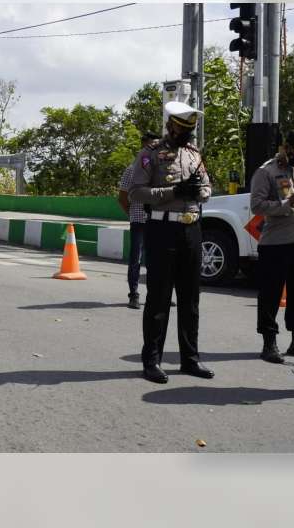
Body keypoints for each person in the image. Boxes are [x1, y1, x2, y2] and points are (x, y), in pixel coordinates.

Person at [129, 101, 214, 384]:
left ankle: (190, 359)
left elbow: (207, 188)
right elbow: (136, 193)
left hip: (191, 229)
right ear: (170, 126)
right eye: (181, 129)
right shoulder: (150, 154)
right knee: (159, 299)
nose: (186, 135)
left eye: (189, 131)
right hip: (161, 229)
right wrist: (173, 191)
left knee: (191, 299)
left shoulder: (193, 154)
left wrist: (198, 192)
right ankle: (151, 360)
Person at [249, 129, 294, 363]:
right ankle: (269, 343)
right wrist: (287, 203)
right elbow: (256, 206)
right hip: (275, 243)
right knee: (270, 295)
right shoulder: (266, 172)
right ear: (287, 148)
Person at [118, 131, 160, 309]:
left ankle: (157, 295)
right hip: (138, 221)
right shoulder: (131, 170)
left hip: (157, 221)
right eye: (151, 146)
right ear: (143, 145)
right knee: (136, 259)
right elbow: (122, 198)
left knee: (157, 260)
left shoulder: (160, 170)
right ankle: (133, 295)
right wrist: (132, 215)